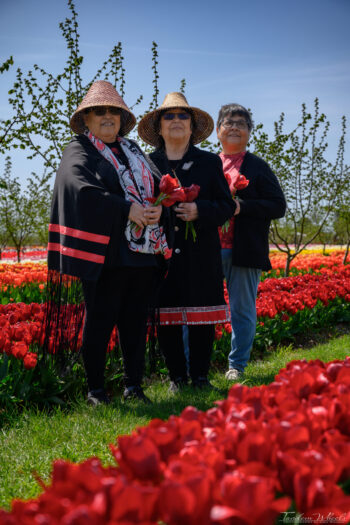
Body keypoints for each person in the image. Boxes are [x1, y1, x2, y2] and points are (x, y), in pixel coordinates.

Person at [46, 80, 172, 405]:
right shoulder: (79, 149)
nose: (107, 117)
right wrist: (126, 209)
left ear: (121, 119)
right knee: (100, 319)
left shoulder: (133, 150)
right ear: (86, 119)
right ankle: (96, 391)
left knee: (134, 320)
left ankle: (134, 386)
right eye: (99, 112)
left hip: (142, 251)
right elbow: (78, 187)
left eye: (113, 112)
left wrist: (158, 206)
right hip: (106, 253)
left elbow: (161, 184)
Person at [138, 92, 235, 391]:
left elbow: (226, 206)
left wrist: (200, 210)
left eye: (183, 116)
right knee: (166, 315)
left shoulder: (208, 163)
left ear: (192, 127)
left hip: (201, 253)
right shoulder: (147, 163)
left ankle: (201, 378)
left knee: (201, 316)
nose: (177, 121)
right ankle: (176, 378)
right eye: (169, 116)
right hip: (159, 253)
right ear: (159, 127)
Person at [216, 103, 286, 380]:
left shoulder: (258, 166)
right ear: (219, 131)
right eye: (228, 122)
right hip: (208, 249)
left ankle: (237, 365)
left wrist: (241, 206)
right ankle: (192, 367)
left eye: (241, 123)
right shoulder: (208, 164)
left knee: (242, 310)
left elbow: (277, 206)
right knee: (200, 308)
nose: (234, 127)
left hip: (243, 250)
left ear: (248, 133)